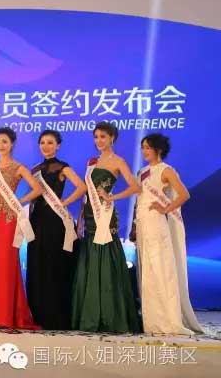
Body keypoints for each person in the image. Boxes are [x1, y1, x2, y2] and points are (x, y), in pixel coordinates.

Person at [71, 121, 141, 333]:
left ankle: (110, 315)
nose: (99, 141)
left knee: (106, 259)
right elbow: (86, 194)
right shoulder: (92, 161)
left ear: (112, 138)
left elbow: (135, 187)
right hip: (89, 215)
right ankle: (90, 313)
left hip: (105, 216)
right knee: (90, 260)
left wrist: (112, 197)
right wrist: (80, 220)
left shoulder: (118, 161)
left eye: (103, 136)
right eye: (96, 137)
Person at [134, 133, 203, 334]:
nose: (144, 151)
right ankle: (153, 320)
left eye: (148, 147)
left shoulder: (166, 170)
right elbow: (140, 199)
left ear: (159, 149)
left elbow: (184, 194)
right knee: (148, 271)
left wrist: (166, 208)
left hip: (157, 224)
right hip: (143, 224)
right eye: (143, 147)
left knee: (161, 269)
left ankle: (169, 320)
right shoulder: (142, 172)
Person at [26, 130, 86, 330]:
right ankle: (39, 313)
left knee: (54, 265)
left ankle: (56, 315)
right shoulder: (35, 169)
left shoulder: (62, 167)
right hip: (37, 220)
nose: (46, 146)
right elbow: (33, 196)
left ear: (58, 145)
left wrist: (64, 202)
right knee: (38, 264)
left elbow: (82, 187)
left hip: (55, 221)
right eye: (42, 142)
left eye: (50, 142)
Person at [0, 127, 42, 329]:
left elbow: (38, 189)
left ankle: (7, 315)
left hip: (9, 221)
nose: (1, 145)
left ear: (12, 144)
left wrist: (19, 201)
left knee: (7, 265)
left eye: (4, 142)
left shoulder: (18, 167)